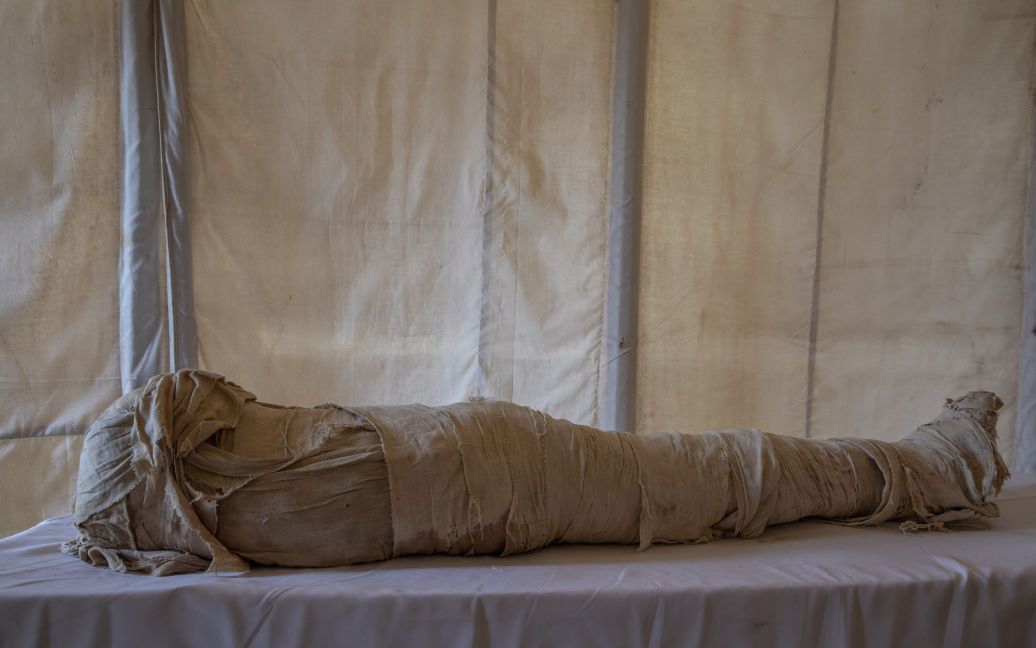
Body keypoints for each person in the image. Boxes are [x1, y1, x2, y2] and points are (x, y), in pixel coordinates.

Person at [63, 370, 1009, 576]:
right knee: (716, 476)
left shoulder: (142, 456)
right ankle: (928, 464)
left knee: (716, 476)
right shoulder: (135, 477)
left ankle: (929, 465)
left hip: (480, 466)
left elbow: (204, 398)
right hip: (475, 478)